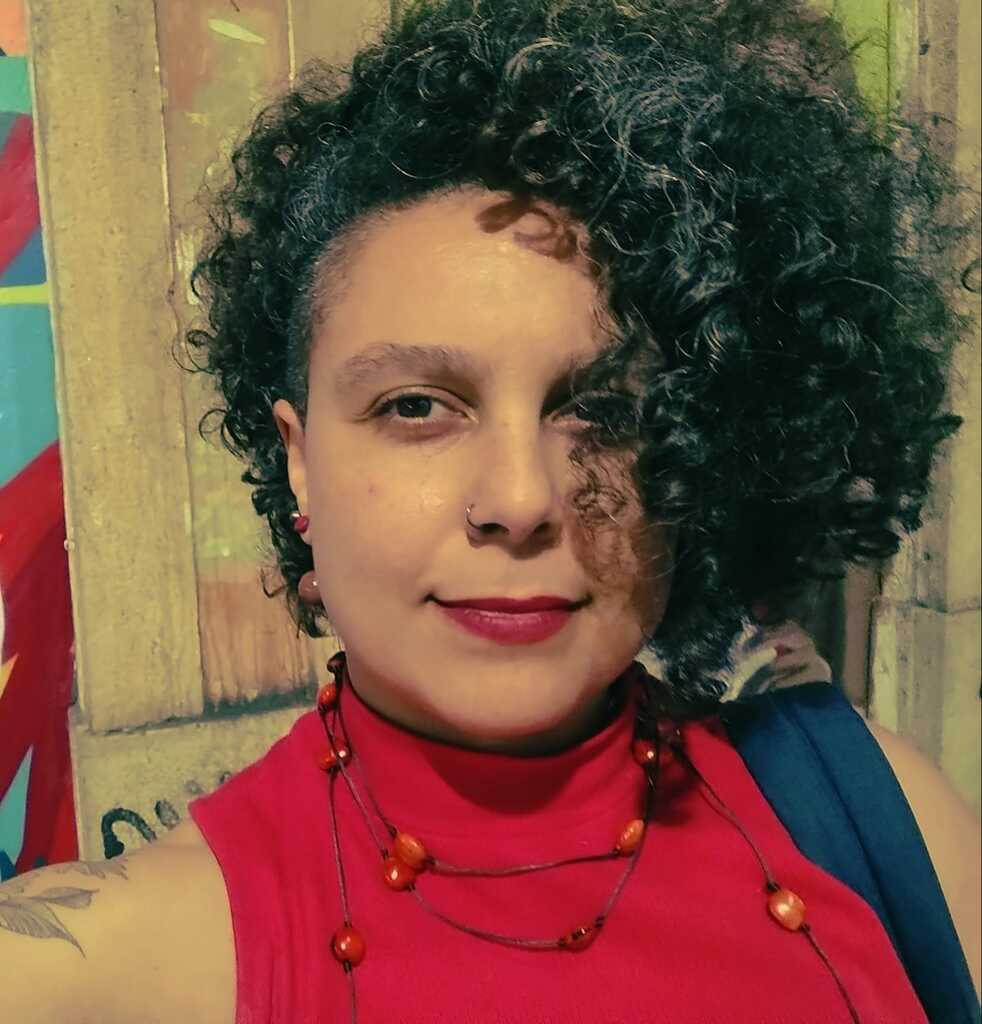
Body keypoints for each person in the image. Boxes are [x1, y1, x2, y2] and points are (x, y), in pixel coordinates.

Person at [2, 0, 979, 1021]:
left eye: (602, 411)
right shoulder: (123, 961)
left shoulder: (879, 817)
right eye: (416, 407)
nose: (519, 500)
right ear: (299, 462)